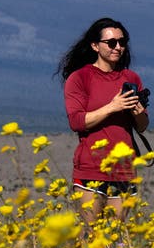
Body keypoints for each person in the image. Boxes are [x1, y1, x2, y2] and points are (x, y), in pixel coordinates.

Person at [57, 17, 149, 226]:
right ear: (95, 46)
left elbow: (142, 126)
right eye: (111, 43)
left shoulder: (131, 78)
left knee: (118, 240)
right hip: (91, 168)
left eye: (122, 42)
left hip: (124, 168)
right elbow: (77, 122)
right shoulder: (80, 78)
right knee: (92, 238)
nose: (118, 47)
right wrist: (113, 106)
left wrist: (138, 112)